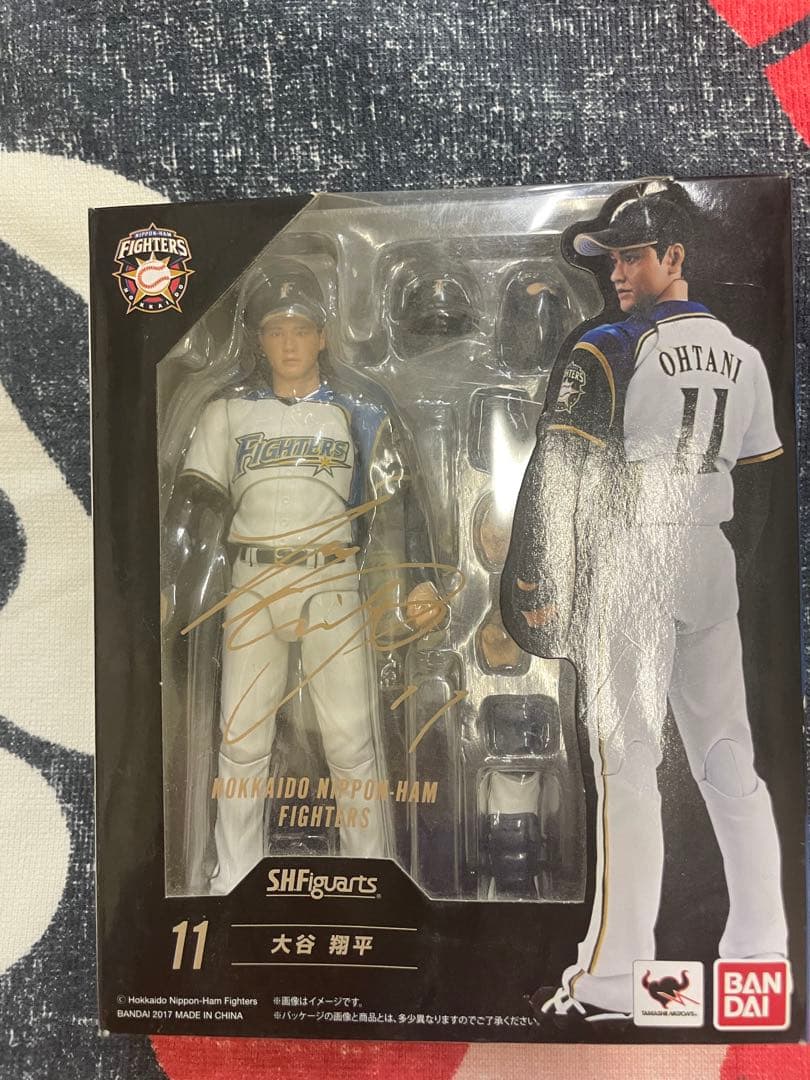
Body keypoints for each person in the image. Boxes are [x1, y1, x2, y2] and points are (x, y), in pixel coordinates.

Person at [502, 187, 788, 1023]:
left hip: (636, 556)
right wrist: (737, 575)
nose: (619, 272)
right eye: (615, 257)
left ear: (675, 256)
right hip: (709, 556)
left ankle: (618, 974)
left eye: (634, 254)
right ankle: (762, 945)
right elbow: (762, 488)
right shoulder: (743, 355)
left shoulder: (611, 346)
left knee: (628, 766)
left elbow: (559, 473)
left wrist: (535, 583)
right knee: (726, 755)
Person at [164, 261, 443, 895]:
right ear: (259, 340)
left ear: (322, 336)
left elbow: (401, 499)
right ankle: (231, 878)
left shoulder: (358, 408)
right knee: (241, 744)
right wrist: (168, 581)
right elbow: (194, 505)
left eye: (300, 329)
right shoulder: (227, 411)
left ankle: (371, 872)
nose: (288, 343)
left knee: (351, 743)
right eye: (275, 331)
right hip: (251, 581)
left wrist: (422, 579)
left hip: (330, 581)